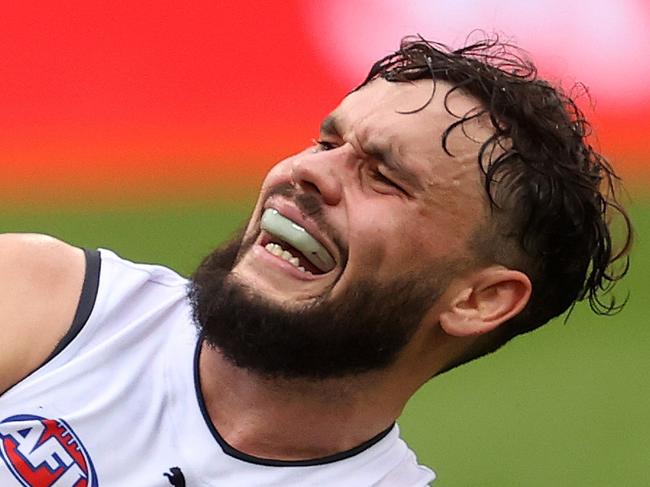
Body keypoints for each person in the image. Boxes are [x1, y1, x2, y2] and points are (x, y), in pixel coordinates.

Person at [0, 35, 631, 486]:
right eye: (326, 142)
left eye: (383, 177)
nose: (305, 172)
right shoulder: (45, 303)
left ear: (479, 300)